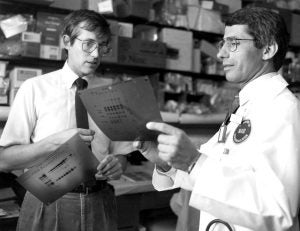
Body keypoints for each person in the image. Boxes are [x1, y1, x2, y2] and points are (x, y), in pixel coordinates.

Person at [134, 7, 300, 231]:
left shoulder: (283, 109)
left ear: (268, 49)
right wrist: (167, 164)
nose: (220, 53)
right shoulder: (245, 106)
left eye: (233, 43)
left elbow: (278, 210)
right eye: (222, 43)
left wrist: (194, 161)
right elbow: (218, 170)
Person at [0, 9, 133, 231]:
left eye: (102, 46)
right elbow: (4, 161)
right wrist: (52, 143)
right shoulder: (34, 88)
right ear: (66, 42)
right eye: (88, 43)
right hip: (47, 200)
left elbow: (121, 153)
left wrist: (117, 165)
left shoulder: (113, 93)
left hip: (100, 201)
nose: (95, 54)